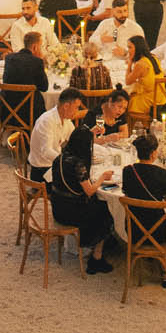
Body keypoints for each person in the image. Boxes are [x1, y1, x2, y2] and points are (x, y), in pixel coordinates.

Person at [49, 115, 117, 273]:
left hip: (58, 208)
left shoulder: (59, 158)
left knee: (98, 205)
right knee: (105, 210)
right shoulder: (78, 164)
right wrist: (102, 178)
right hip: (72, 213)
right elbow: (89, 190)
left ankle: (102, 243)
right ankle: (96, 257)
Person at [121, 129, 166, 240]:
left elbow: (127, 195)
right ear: (153, 153)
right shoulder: (162, 173)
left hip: (133, 231)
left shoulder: (127, 171)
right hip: (158, 232)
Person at [2, 30, 50, 122]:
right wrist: (40, 61)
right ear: (35, 47)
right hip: (30, 114)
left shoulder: (9, 58)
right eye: (41, 46)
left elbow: (5, 81)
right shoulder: (37, 62)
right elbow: (44, 87)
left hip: (7, 111)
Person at [124, 34, 163, 124]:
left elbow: (127, 81)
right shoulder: (153, 58)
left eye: (130, 47)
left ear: (137, 48)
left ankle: (129, 128)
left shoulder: (140, 64)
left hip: (150, 102)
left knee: (124, 103)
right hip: (160, 97)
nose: (128, 51)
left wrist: (130, 63)